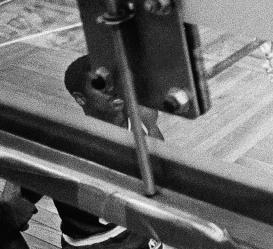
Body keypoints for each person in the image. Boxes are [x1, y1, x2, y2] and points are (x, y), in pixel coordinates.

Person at [0, 54, 163, 249]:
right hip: (95, 243)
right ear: (80, 98)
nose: (112, 90)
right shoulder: (63, 148)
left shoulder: (143, 117)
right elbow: (10, 208)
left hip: (141, 231)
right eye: (100, 84)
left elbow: (163, 172)